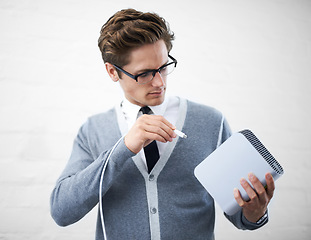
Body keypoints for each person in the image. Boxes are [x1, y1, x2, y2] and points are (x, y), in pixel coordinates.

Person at [50, 8, 275, 240]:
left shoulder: (211, 122)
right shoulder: (93, 130)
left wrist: (254, 212)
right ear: (112, 72)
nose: (159, 82)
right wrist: (123, 149)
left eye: (164, 67)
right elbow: (61, 212)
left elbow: (241, 215)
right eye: (145, 73)